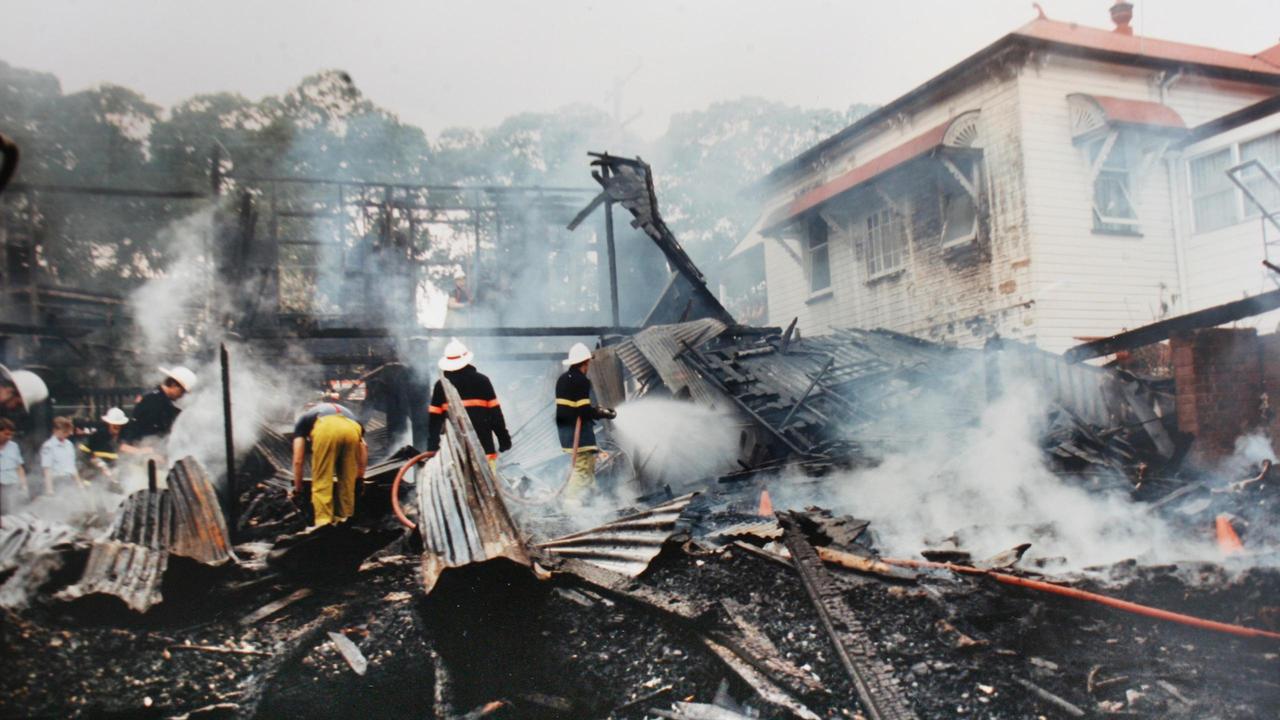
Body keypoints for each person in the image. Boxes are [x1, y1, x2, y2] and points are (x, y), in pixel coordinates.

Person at [425, 339, 512, 470]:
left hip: (453, 453)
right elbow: (495, 415)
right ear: (467, 360)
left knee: (457, 487)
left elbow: (434, 420)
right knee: (489, 485)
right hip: (485, 450)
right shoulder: (482, 381)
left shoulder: (440, 385)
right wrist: (503, 439)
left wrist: (432, 446)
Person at [554, 343, 615, 503]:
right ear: (586, 362)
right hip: (578, 434)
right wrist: (601, 413)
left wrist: (594, 410)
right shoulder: (581, 380)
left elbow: (574, 407)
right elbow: (583, 410)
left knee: (588, 466)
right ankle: (570, 503)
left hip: (566, 433)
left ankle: (594, 499)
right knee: (582, 468)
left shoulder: (562, 379)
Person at [291, 401, 368, 528]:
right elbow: (364, 447)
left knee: (322, 482)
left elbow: (298, 460)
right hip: (353, 428)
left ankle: (323, 525)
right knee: (347, 484)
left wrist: (298, 490)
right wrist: (360, 477)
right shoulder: (347, 413)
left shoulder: (303, 420)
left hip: (326, 429)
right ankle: (345, 522)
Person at [121, 366, 196, 450]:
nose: (181, 396)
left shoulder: (160, 400)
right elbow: (148, 433)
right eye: (182, 392)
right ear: (174, 385)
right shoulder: (154, 402)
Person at [79, 408, 129, 487]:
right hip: (94, 481)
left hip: (112, 482)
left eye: (119, 426)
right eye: (114, 425)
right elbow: (83, 455)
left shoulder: (122, 438)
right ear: (108, 423)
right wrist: (100, 464)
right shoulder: (96, 437)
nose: (117, 427)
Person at [39, 416, 79, 494]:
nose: (66, 434)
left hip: (70, 481)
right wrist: (49, 489)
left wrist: (78, 483)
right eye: (64, 432)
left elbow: (73, 466)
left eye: (67, 432)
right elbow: (47, 469)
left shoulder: (69, 444)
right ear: (55, 430)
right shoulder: (48, 446)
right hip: (57, 481)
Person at [0, 417, 28, 509]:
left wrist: (24, 485)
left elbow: (19, 467)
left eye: (11, 435)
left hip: (12, 485)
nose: (9, 437)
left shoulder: (14, 446)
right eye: (6, 434)